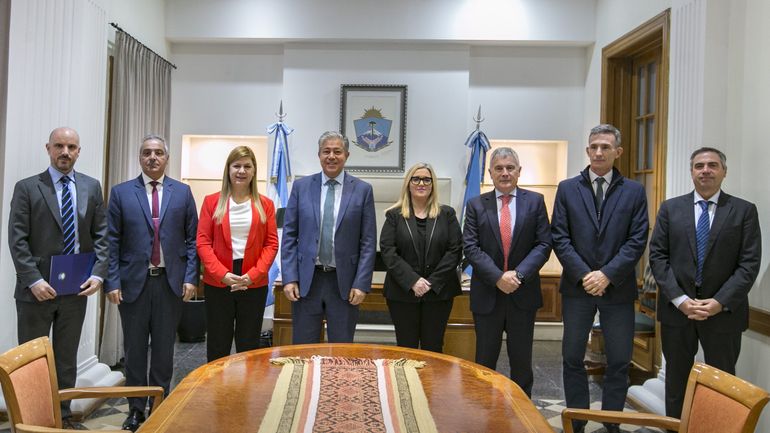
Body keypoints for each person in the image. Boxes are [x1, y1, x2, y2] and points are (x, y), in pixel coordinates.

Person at [649, 147, 761, 420]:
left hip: (723, 315)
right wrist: (681, 300)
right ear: (691, 172)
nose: (705, 171)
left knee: (722, 386)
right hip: (678, 313)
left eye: (712, 165)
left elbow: (749, 264)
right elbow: (658, 257)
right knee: (676, 383)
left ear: (724, 171)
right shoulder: (670, 208)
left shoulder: (744, 211)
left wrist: (719, 302)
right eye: (699, 166)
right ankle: (676, 427)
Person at [551, 124, 648, 433]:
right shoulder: (568, 188)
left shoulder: (634, 191)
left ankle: (612, 422)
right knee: (571, 358)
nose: (598, 152)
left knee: (619, 361)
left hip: (617, 288)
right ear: (587, 150)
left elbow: (637, 240)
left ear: (618, 151)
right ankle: (577, 421)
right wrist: (585, 275)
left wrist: (606, 274)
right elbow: (559, 237)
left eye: (605, 147)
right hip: (577, 288)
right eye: (593, 146)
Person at [9, 127, 109, 426]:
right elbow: (17, 239)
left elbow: (102, 236)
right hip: (35, 292)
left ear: (78, 151)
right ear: (48, 148)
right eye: (59, 146)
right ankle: (32, 421)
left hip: (75, 290)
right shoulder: (27, 187)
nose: (65, 152)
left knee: (66, 360)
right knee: (32, 362)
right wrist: (33, 280)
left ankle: (63, 418)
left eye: (71, 147)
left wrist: (98, 276)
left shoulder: (92, 187)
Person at [105, 135, 199, 432]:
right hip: (133, 284)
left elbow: (193, 239)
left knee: (163, 350)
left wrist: (190, 277)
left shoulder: (182, 192)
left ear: (167, 158)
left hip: (169, 284)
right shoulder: (121, 193)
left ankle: (160, 405)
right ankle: (135, 409)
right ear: (140, 158)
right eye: (147, 153)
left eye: (158, 153)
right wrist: (111, 282)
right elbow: (111, 241)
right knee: (134, 351)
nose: (153, 157)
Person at [463, 147, 552, 396]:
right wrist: (498, 278)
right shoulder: (476, 205)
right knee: (484, 362)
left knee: (522, 363)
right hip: (487, 295)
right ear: (490, 173)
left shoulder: (535, 202)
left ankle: (522, 412)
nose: (505, 173)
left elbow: (544, 244)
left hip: (522, 295)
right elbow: (470, 247)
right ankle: (482, 411)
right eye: (499, 168)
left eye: (510, 168)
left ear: (519, 171)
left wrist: (518, 275)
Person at [281, 131, 377, 344]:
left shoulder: (363, 190)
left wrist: (361, 284)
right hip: (307, 281)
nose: (331, 156)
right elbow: (289, 236)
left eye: (337, 151)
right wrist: (289, 278)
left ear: (347, 155)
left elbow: (368, 242)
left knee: (341, 350)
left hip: (344, 284)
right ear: (319, 155)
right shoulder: (301, 187)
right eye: (326, 151)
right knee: (304, 349)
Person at [197, 146, 279, 362]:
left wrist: (254, 275)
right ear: (228, 169)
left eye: (247, 166)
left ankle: (246, 385)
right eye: (237, 166)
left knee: (248, 346)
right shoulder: (211, 202)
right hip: (219, 282)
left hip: (253, 282)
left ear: (254, 171)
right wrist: (222, 275)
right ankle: (217, 385)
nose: (241, 171)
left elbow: (271, 244)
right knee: (218, 344)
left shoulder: (266, 205)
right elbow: (203, 242)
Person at [379, 163, 462, 353]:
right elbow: (388, 251)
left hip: (439, 293)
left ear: (433, 184)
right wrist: (413, 281)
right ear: (408, 183)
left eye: (426, 179)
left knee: (433, 347)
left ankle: (431, 376)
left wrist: (431, 283)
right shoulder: (394, 215)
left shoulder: (447, 214)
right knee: (406, 347)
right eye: (416, 179)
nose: (421, 183)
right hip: (403, 293)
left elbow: (455, 250)